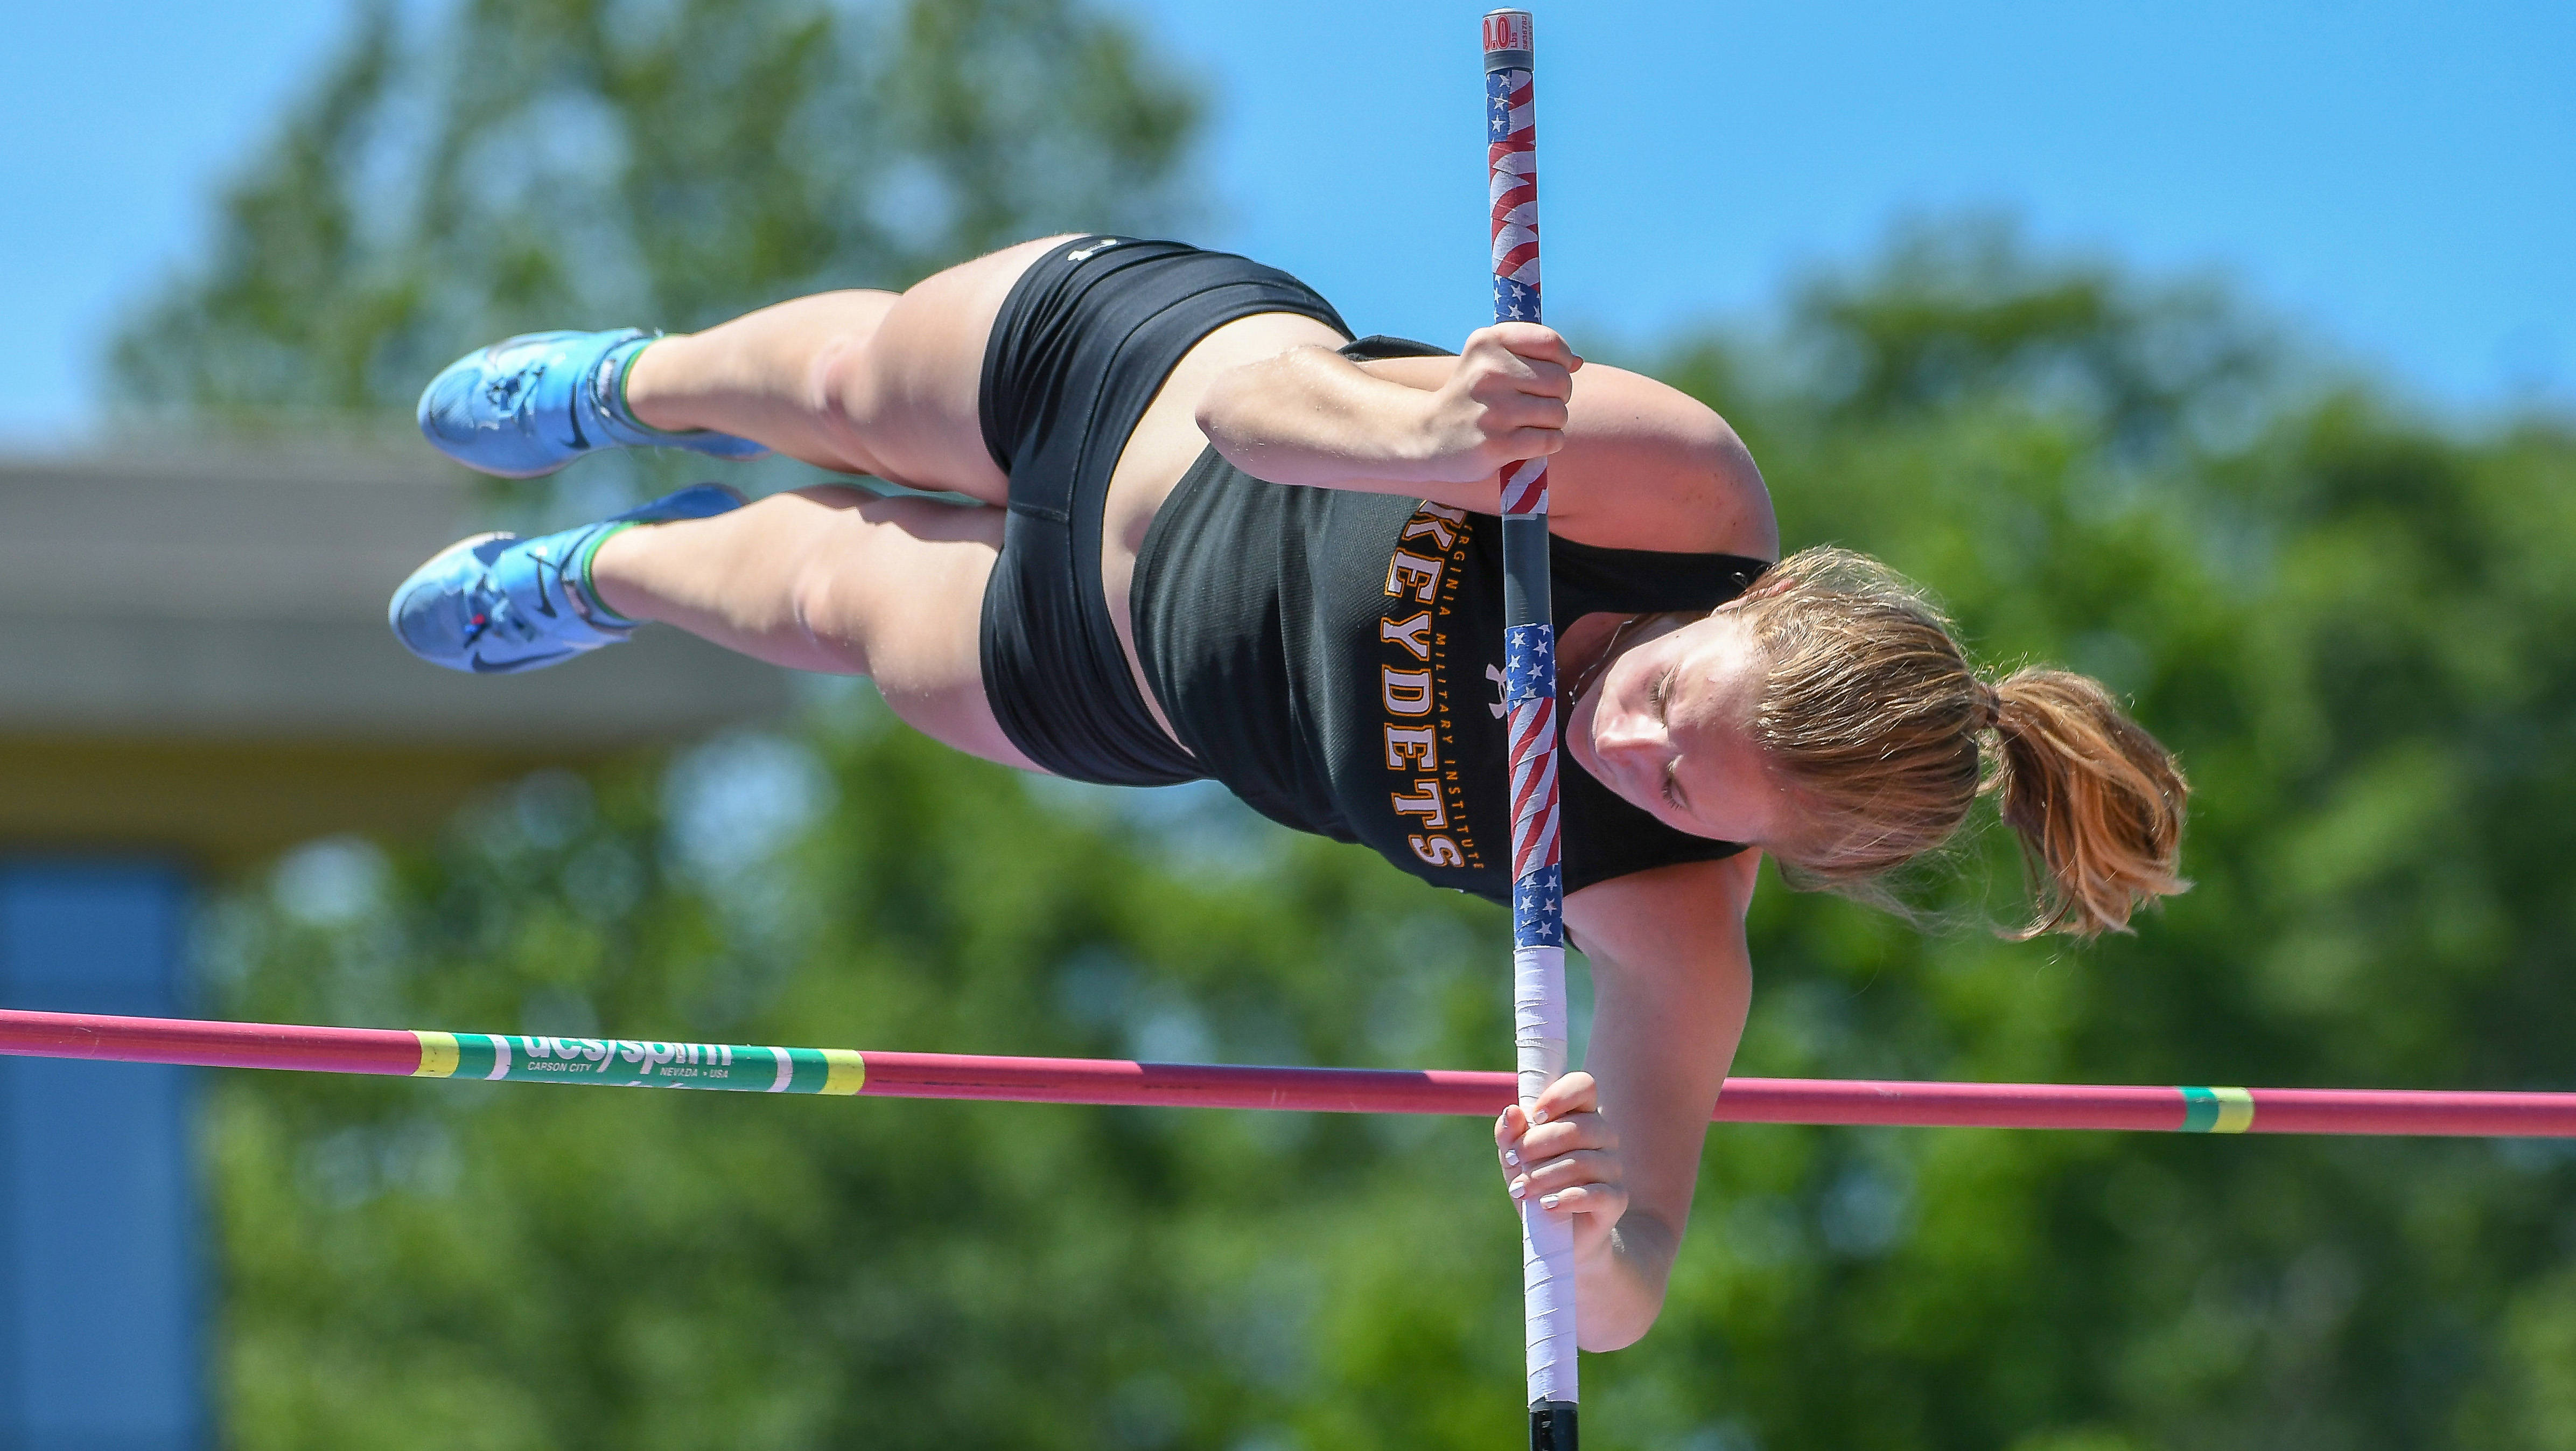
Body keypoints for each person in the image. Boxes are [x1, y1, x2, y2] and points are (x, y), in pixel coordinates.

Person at [395, 234, 2189, 1350]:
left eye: (1691, 796)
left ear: (1762, 852)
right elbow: (1258, 416)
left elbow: (1631, 1285)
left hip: (1113, 675)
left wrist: (1587, 1233)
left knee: (816, 600)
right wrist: (1426, 435)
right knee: (856, 385)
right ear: (1749, 605)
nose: (1626, 756)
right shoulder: (1678, 487)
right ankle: (630, 384)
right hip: (1144, 378)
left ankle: (605, 572)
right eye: (1663, 702)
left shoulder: (1668, 922)